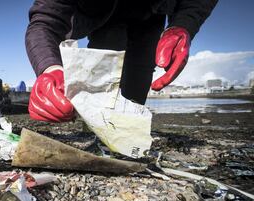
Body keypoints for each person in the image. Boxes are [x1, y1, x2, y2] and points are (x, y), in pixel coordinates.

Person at [26, 0, 218, 122]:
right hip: (103, 18)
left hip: (151, 14)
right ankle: (99, 127)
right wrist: (50, 69)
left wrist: (184, 24)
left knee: (139, 74)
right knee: (104, 67)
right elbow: (44, 22)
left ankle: (127, 129)